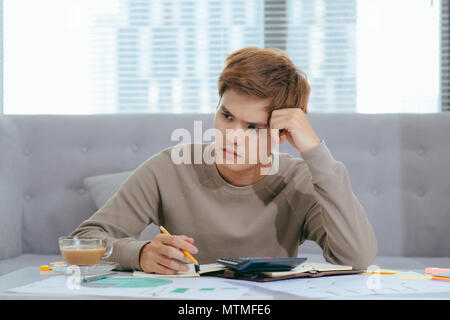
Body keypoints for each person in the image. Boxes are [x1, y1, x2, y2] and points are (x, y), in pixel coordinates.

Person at [70, 46, 377, 274]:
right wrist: (138, 254)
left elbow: (356, 258)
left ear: (281, 134)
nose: (231, 135)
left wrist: (314, 151)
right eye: (226, 115)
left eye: (253, 127)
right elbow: (83, 240)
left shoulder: (298, 181)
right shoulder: (170, 167)